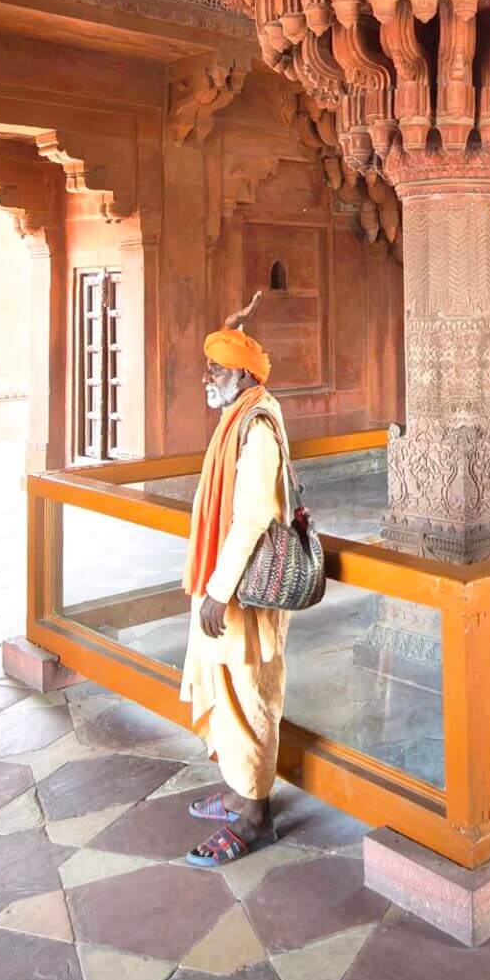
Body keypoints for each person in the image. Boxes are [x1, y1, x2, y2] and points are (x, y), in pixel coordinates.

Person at [178, 294, 292, 867]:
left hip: (244, 590)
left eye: (217, 370)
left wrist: (219, 592)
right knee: (226, 688)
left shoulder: (258, 428)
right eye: (208, 368)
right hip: (224, 582)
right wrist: (232, 325)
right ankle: (238, 790)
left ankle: (256, 816)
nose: (208, 378)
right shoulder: (239, 415)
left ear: (244, 377)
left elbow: (251, 519)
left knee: (250, 695)